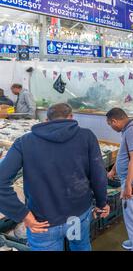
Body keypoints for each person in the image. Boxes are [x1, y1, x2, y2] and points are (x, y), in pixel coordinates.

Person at [0, 103, 109, 251]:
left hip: (43, 222)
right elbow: (98, 174)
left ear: (46, 119)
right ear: (71, 117)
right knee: (80, 246)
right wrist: (102, 203)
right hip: (76, 216)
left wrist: (23, 215)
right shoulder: (86, 136)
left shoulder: (25, 142)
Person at [106, 108, 133, 251]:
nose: (111, 128)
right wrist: (113, 169)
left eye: (110, 124)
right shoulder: (130, 128)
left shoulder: (132, 131)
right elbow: (124, 152)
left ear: (114, 121)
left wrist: (128, 185)